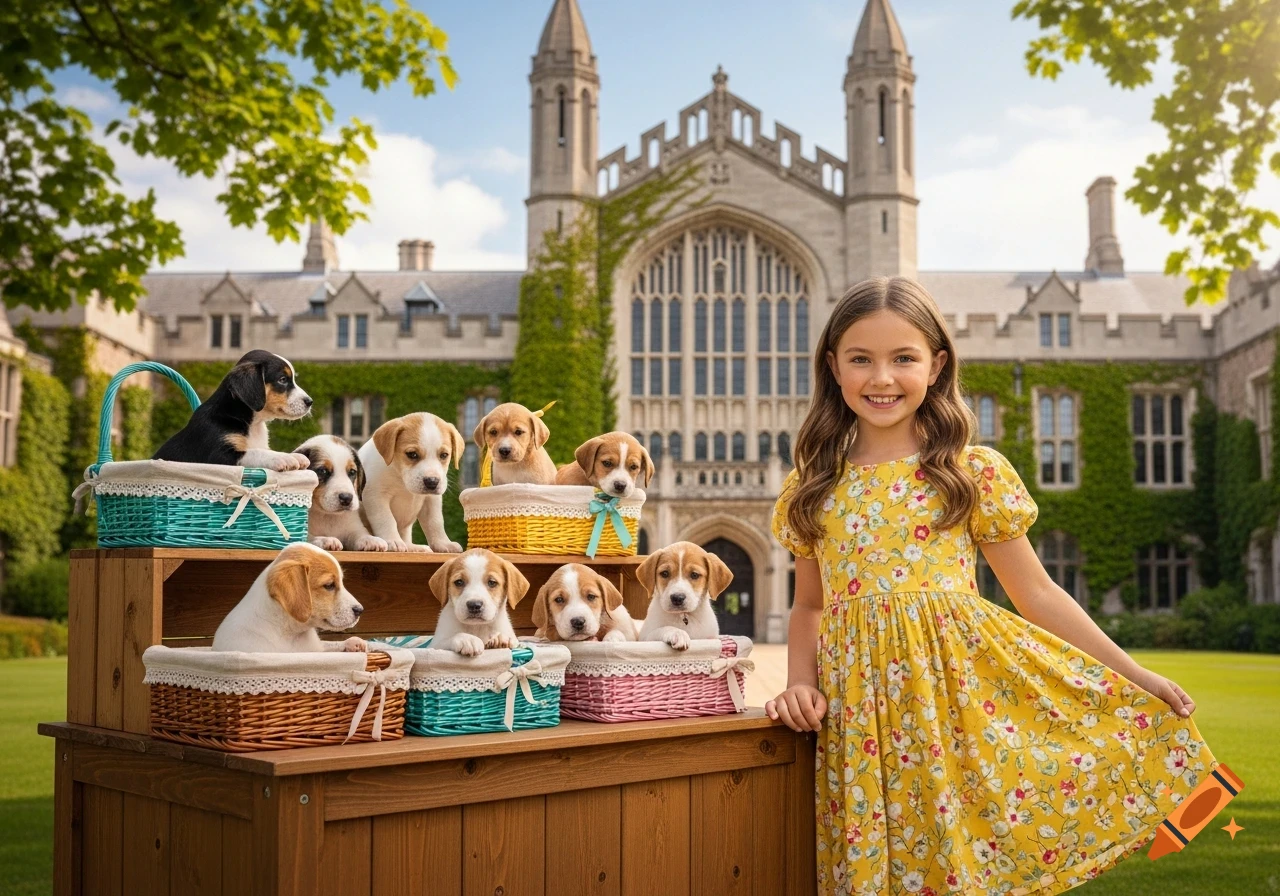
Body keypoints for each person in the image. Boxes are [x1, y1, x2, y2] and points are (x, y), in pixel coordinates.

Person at [765, 277, 1218, 896]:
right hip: (859, 715)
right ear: (832, 367)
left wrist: (1139, 676)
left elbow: (1037, 594)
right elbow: (810, 606)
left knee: (958, 859)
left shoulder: (968, 472)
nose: (882, 377)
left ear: (937, 365)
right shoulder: (813, 485)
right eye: (860, 358)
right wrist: (799, 682)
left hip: (953, 702)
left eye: (904, 358)